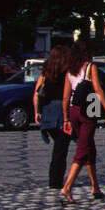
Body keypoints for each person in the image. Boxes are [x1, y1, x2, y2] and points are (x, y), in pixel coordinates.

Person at [59, 40, 105, 204]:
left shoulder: (70, 70)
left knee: (89, 147)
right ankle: (67, 186)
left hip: (73, 109)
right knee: (82, 149)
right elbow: (98, 89)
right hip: (89, 108)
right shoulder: (90, 67)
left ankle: (95, 186)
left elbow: (66, 97)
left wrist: (66, 118)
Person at [32, 45, 71, 191]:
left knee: (58, 147)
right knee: (61, 149)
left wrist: (37, 112)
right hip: (61, 111)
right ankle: (55, 180)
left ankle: (55, 179)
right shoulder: (67, 73)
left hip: (47, 111)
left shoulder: (45, 73)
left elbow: (36, 94)